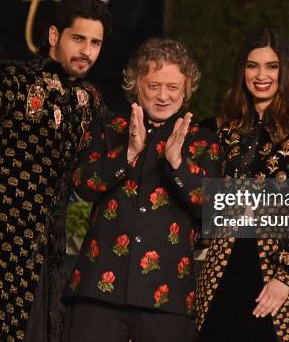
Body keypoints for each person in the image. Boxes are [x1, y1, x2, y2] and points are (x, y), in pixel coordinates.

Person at [0, 0, 111, 342]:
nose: (87, 50)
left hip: (46, 252)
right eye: (79, 38)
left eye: (96, 42)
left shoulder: (90, 100)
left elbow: (113, 152)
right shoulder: (14, 78)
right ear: (55, 36)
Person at [62, 38, 221, 342]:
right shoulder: (107, 128)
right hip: (98, 292)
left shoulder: (204, 141)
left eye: (173, 88)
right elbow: (82, 185)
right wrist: (127, 154)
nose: (163, 96)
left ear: (186, 90)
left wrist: (178, 164)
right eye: (154, 86)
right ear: (136, 85)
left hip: (168, 298)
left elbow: (215, 210)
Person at [195, 28, 289, 341]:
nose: (261, 75)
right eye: (252, 66)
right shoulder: (223, 128)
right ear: (242, 72)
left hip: (282, 270)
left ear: (284, 72)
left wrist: (286, 278)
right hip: (226, 268)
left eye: (271, 66)